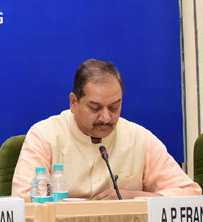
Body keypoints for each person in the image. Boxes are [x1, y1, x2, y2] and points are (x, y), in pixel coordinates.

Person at [12, 59, 202, 200]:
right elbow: (23, 202)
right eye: (95, 108)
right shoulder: (45, 136)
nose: (106, 118)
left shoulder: (139, 139)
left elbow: (190, 194)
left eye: (114, 107)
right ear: (73, 102)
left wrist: (130, 197)